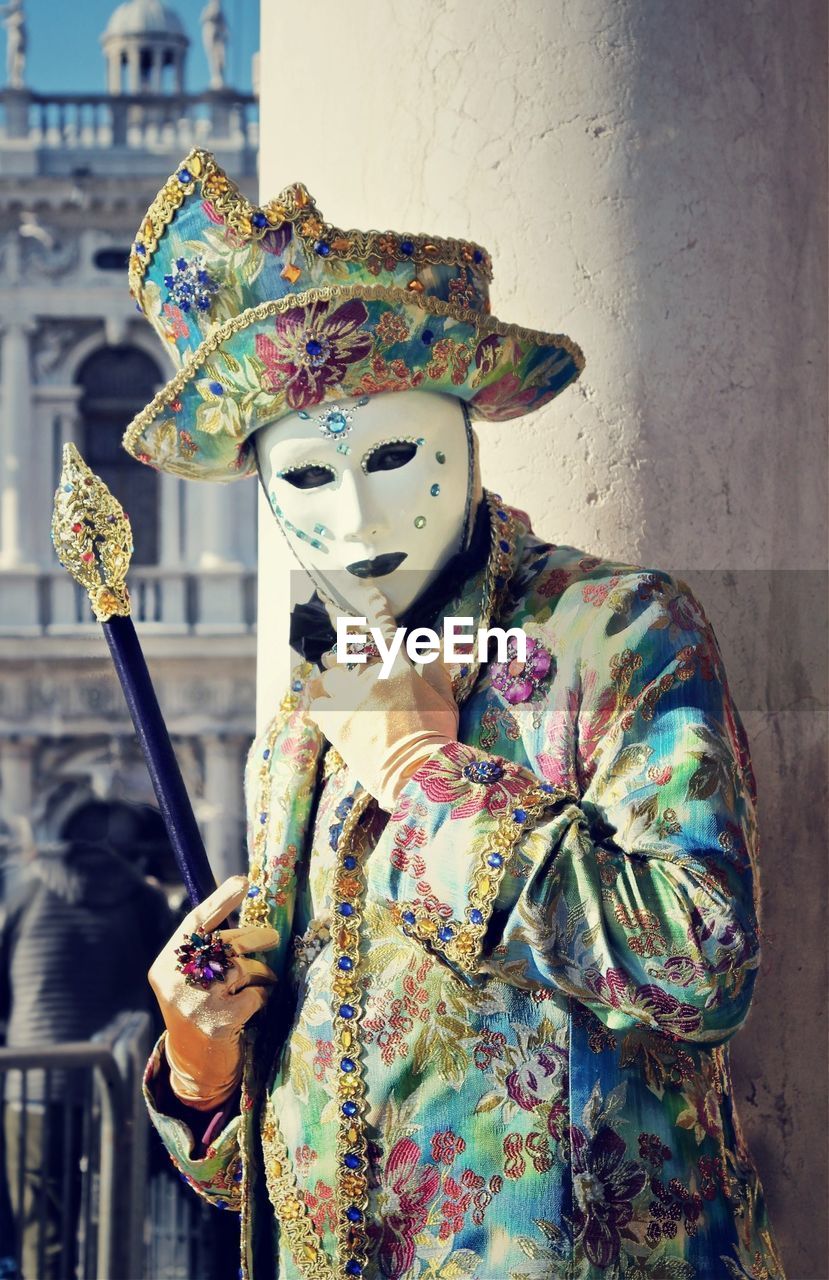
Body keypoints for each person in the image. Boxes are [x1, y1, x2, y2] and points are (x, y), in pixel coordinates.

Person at [124, 149, 786, 1279]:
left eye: (394, 455)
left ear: (463, 436)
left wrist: (427, 776)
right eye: (310, 478)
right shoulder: (300, 722)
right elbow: (310, 1134)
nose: (361, 514)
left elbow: (700, 963)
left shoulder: (612, 631)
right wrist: (200, 1066)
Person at [0, 802, 173, 1280]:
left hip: (31, 1077)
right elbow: (166, 991)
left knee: (42, 1222)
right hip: (114, 1080)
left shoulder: (23, 886)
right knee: (114, 1215)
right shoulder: (144, 900)